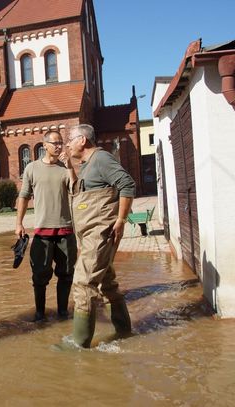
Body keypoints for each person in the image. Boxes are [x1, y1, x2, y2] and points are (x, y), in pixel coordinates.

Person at [64, 124, 135, 348]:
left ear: (83, 140)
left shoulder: (102, 159)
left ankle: (79, 343)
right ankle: (124, 332)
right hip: (90, 235)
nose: (67, 144)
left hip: (99, 233)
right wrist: (69, 167)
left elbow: (127, 184)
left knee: (84, 283)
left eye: (70, 139)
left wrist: (121, 220)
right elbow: (82, 195)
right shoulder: (87, 166)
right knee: (108, 283)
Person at [16, 130, 77, 321]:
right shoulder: (31, 169)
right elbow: (24, 196)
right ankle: (40, 314)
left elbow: (75, 190)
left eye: (61, 143)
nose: (59, 146)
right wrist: (19, 223)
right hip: (42, 232)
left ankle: (62, 312)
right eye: (55, 143)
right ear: (45, 146)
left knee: (66, 274)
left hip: (66, 230)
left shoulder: (65, 168)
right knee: (39, 277)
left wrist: (70, 167)